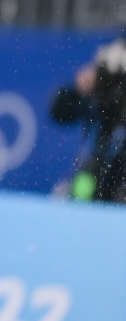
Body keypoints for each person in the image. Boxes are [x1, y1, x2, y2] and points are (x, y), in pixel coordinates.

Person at [50, 36, 126, 203]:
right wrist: (78, 89)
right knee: (82, 186)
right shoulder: (105, 86)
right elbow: (60, 113)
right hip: (98, 167)